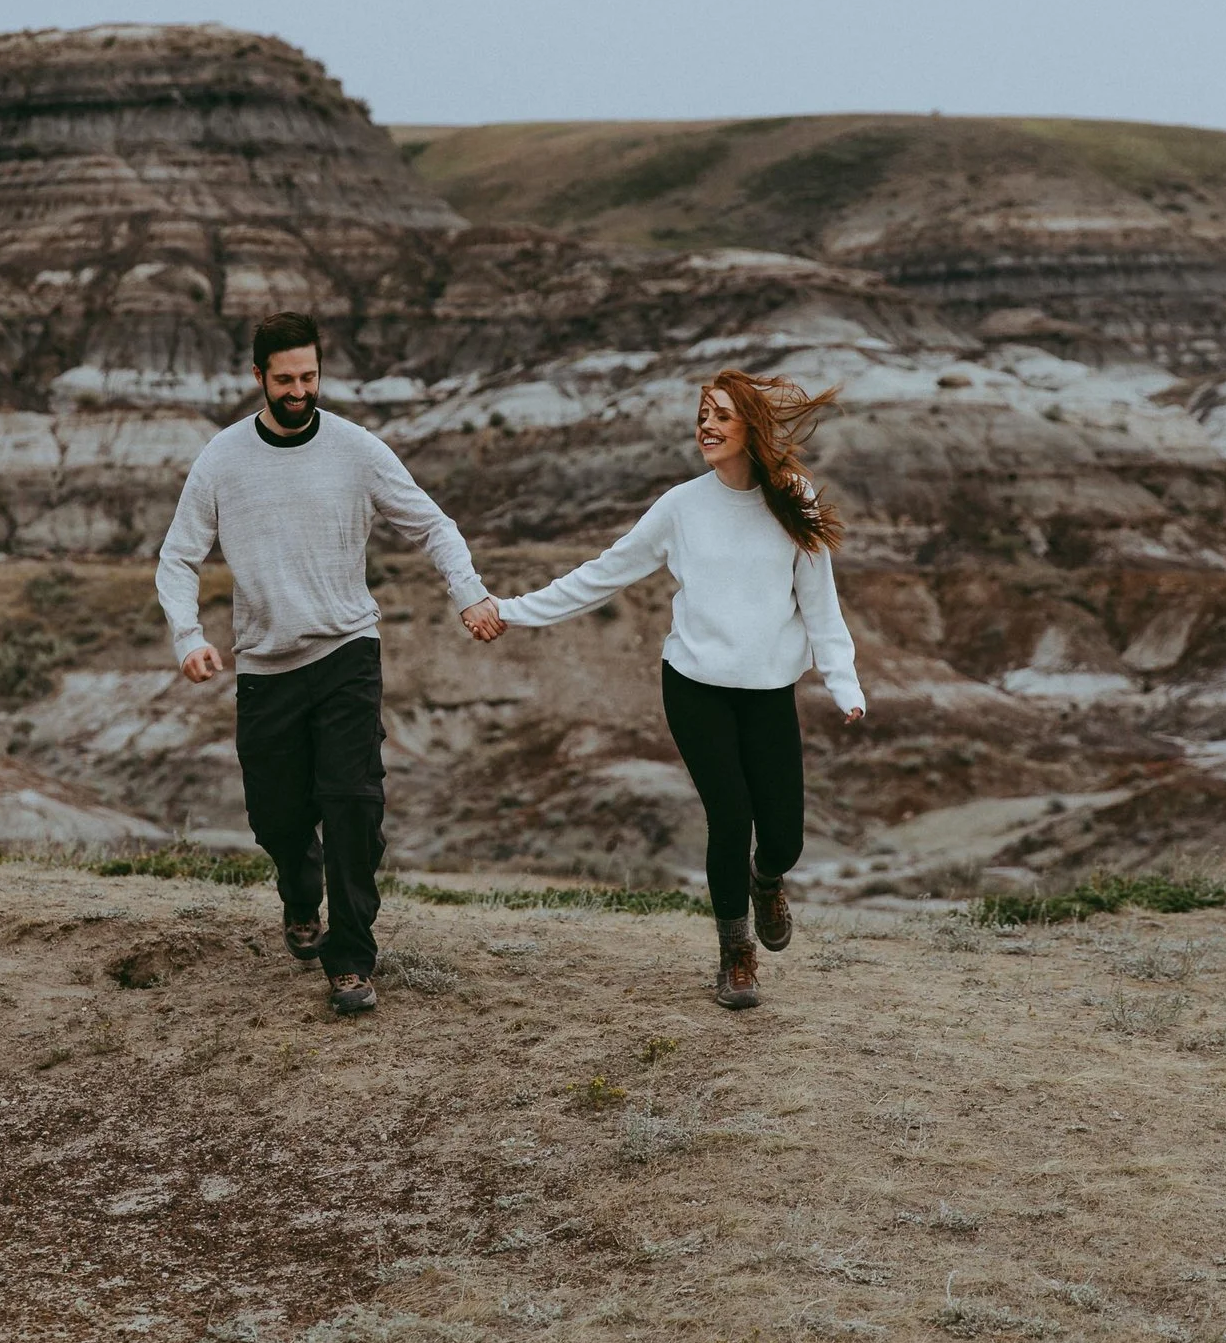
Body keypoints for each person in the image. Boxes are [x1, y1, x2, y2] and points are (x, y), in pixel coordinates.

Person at [157, 310, 504, 1015]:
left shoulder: (356, 448)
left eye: (309, 375)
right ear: (258, 378)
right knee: (277, 817)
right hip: (265, 666)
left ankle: (350, 958)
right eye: (284, 378)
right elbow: (178, 556)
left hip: (347, 651)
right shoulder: (222, 458)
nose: (298, 389)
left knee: (354, 803)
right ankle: (297, 881)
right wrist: (188, 637)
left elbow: (431, 523)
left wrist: (469, 591)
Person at [487, 371, 866, 1010]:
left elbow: (820, 605)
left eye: (721, 415)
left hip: (768, 689)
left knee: (784, 837)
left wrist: (842, 680)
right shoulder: (680, 507)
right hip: (694, 685)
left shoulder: (790, 497)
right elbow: (602, 576)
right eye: (701, 415)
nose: (707, 427)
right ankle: (736, 954)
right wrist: (513, 609)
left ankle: (766, 878)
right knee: (730, 814)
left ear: (751, 426)